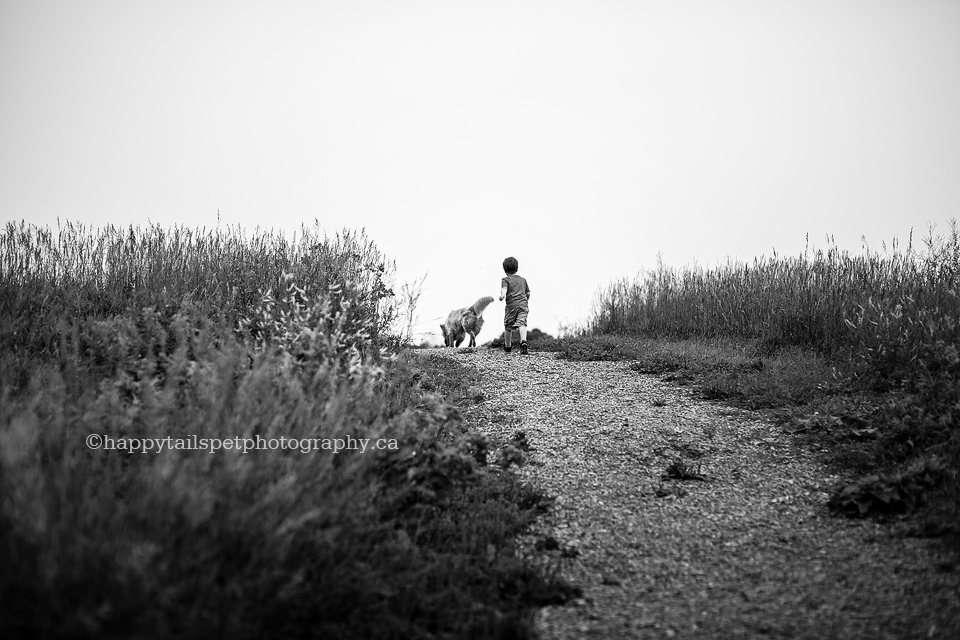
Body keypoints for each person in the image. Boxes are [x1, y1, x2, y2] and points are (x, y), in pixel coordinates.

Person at [498, 256, 531, 354]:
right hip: (523, 305)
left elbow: (504, 289)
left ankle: (508, 346)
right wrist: (526, 301)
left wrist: (502, 296)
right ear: (517, 268)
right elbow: (528, 293)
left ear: (504, 270)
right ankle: (523, 342)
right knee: (522, 324)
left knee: (508, 326)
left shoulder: (506, 279)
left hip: (511, 307)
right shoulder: (523, 280)